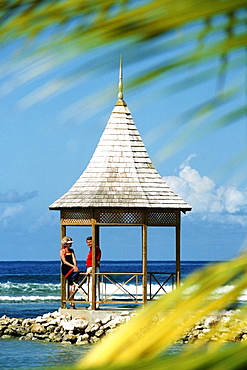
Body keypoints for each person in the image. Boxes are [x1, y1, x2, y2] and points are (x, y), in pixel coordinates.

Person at [60, 236, 80, 309]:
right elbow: (64, 261)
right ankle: (71, 300)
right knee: (71, 283)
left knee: (75, 281)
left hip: (72, 268)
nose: (70, 245)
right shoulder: (62, 251)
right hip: (66, 268)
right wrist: (72, 266)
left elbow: (74, 259)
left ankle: (72, 299)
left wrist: (75, 266)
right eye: (69, 243)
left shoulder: (72, 251)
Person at [85, 236, 101, 309]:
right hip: (90, 268)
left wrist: (91, 270)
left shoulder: (96, 249)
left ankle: (95, 303)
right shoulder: (91, 250)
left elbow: (97, 261)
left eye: (90, 242)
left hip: (93, 268)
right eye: (87, 242)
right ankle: (91, 303)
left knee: (94, 286)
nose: (89, 243)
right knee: (90, 287)